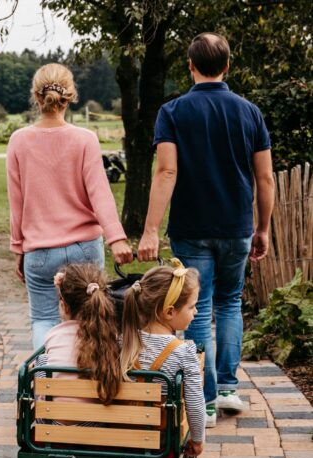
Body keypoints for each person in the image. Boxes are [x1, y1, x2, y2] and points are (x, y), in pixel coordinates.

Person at [138, 32, 275, 427]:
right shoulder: (250, 112)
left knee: (195, 307)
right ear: (227, 66)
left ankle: (206, 398)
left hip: (191, 226)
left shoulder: (174, 112)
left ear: (190, 65)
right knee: (229, 302)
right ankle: (229, 388)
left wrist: (150, 230)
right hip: (237, 227)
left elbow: (166, 170)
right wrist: (262, 228)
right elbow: (264, 179)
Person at [7, 63, 132, 350]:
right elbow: (100, 193)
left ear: (36, 97)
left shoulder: (18, 140)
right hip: (85, 247)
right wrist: (116, 238)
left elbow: (17, 202)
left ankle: (46, 387)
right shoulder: (84, 139)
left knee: (43, 320)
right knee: (92, 318)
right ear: (70, 96)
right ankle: (89, 383)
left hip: (39, 251)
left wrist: (18, 248)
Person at [120, 259, 205, 456]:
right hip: (160, 440)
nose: (196, 311)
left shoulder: (122, 342)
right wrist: (198, 439)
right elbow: (195, 402)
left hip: (119, 429)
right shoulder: (184, 352)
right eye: (192, 307)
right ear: (169, 312)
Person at [35, 263, 121, 417]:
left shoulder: (54, 335)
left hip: (53, 429)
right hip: (100, 426)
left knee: (41, 361)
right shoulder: (112, 336)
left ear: (64, 306)